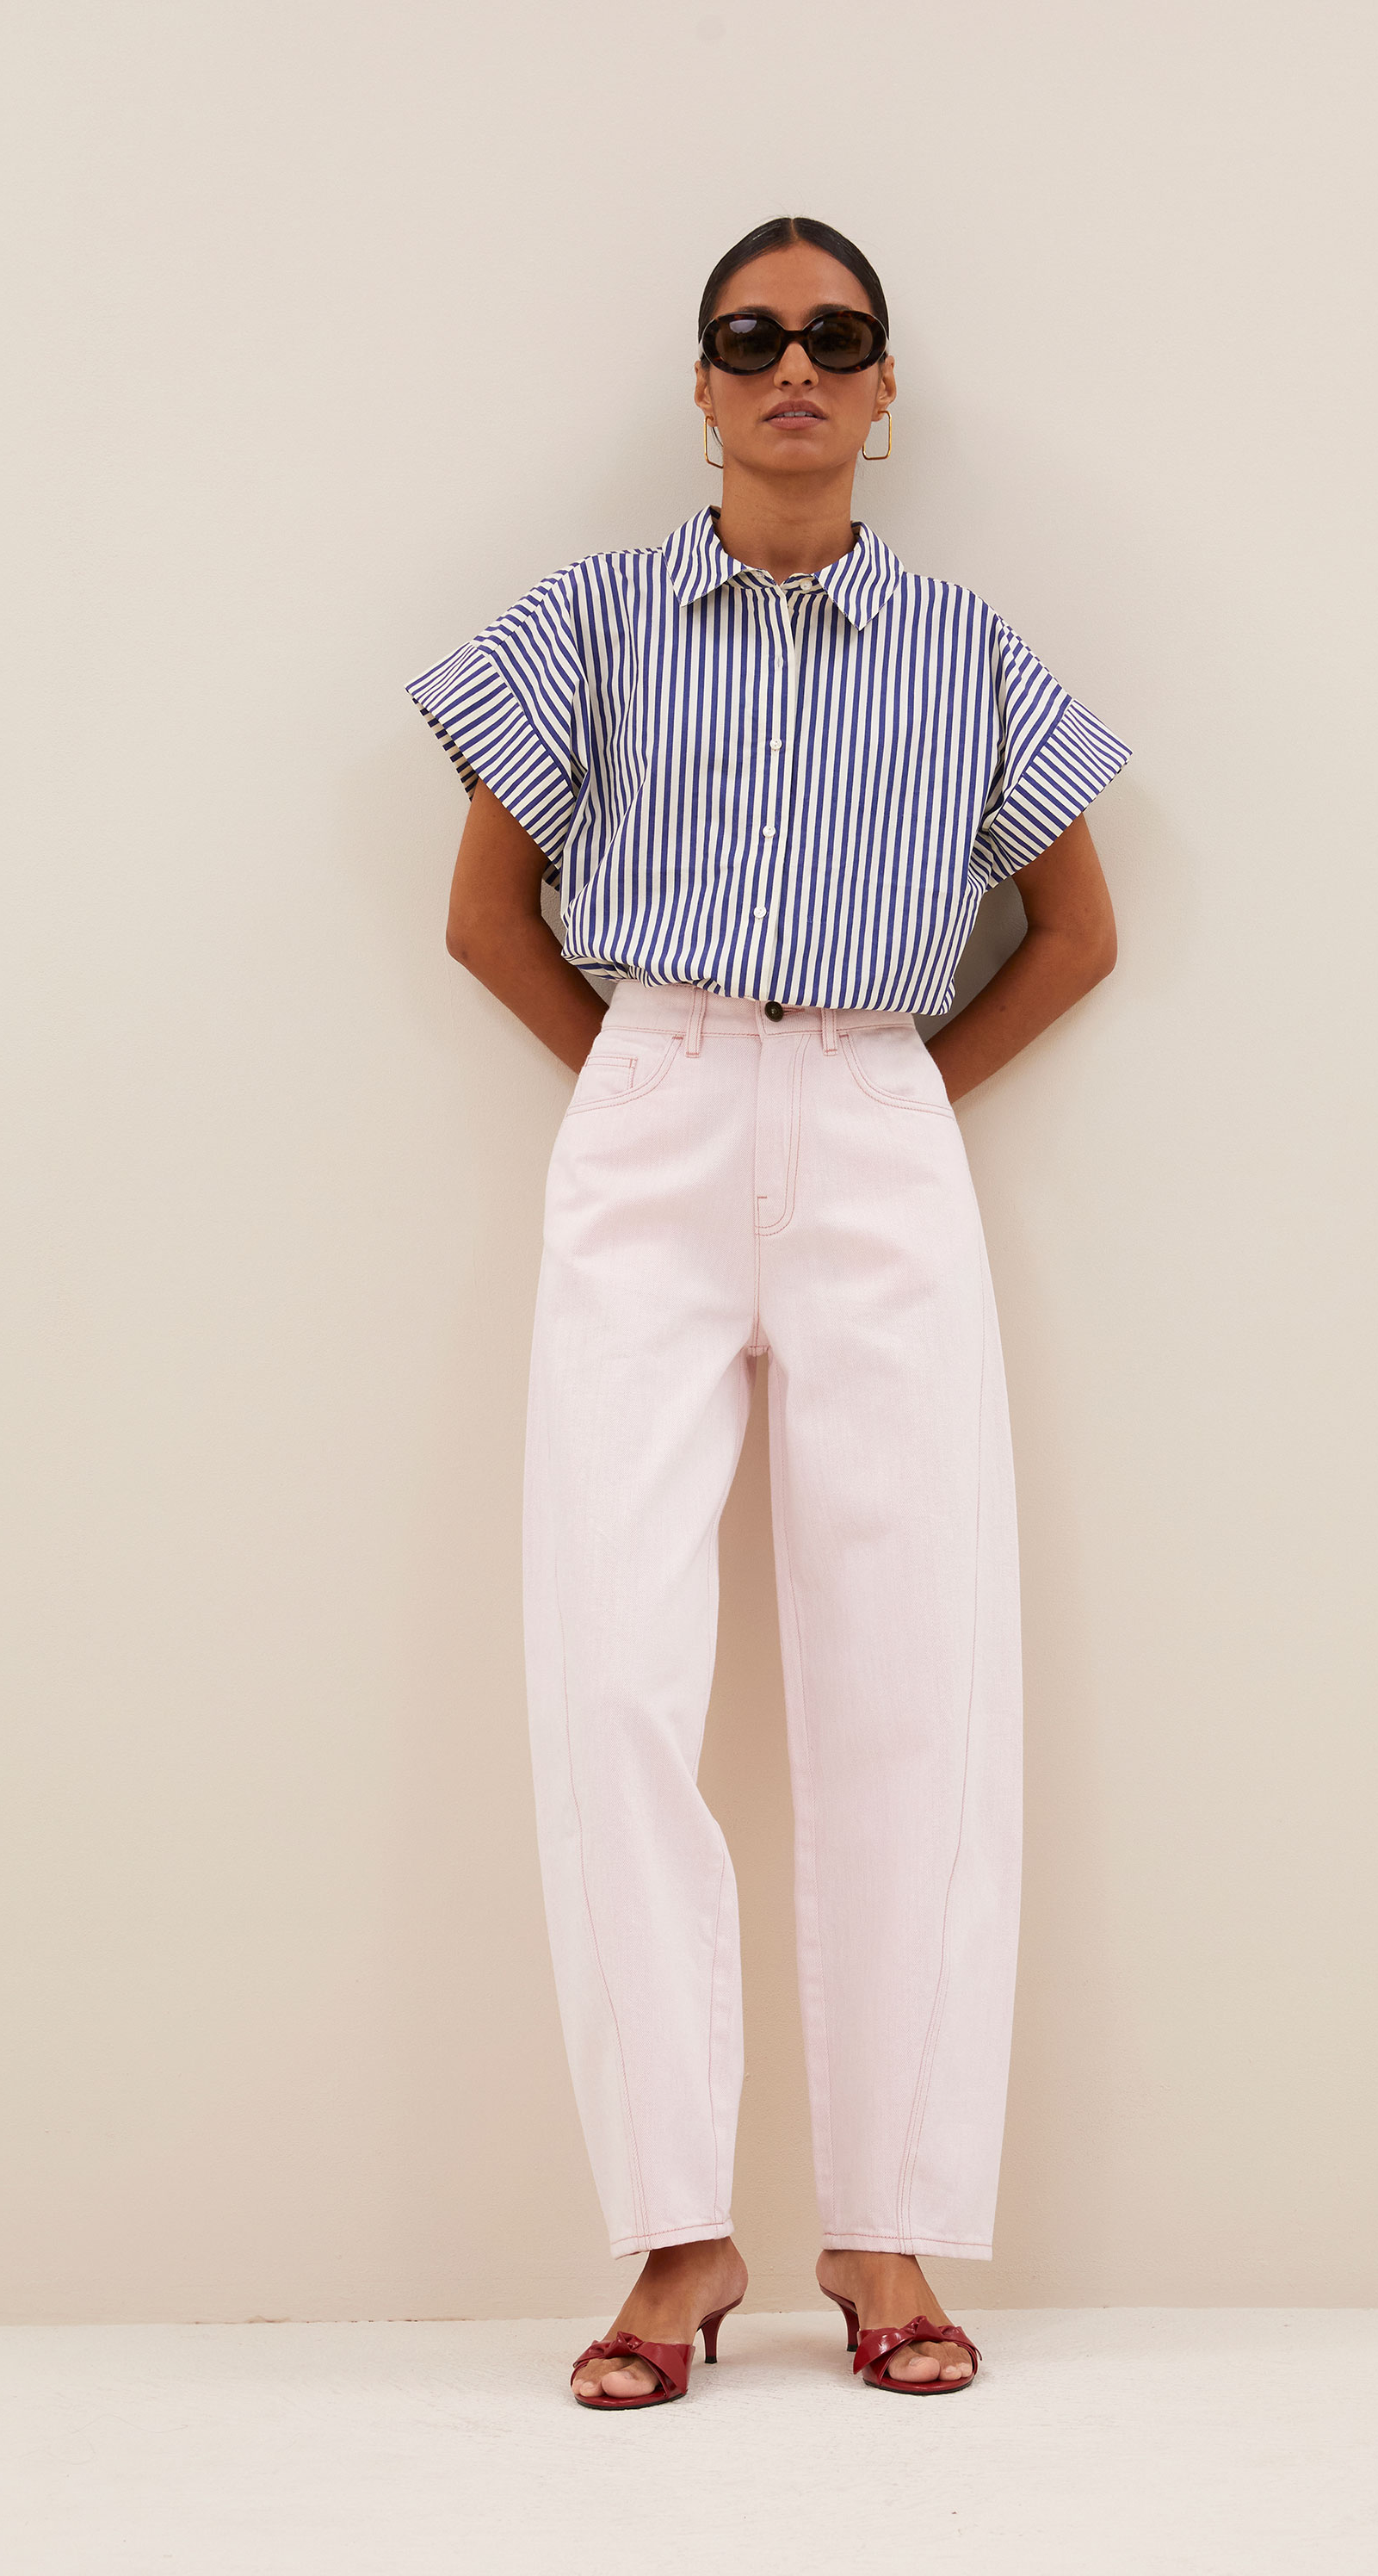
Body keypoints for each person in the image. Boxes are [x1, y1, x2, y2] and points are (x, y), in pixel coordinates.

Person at [405, 214, 1128, 2408]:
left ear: (884, 389)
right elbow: (484, 916)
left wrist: (887, 1100)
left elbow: (1076, 932)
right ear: (702, 385)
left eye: (834, 336)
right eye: (751, 336)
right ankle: (674, 2229)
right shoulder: (590, 624)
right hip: (653, 1094)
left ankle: (883, 2221)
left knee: (914, 1668)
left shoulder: (969, 651)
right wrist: (654, 1093)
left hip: (877, 1116)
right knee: (612, 1666)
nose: (792, 366)